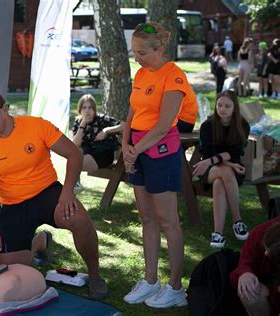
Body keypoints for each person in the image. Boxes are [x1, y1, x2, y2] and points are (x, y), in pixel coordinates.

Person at [0, 89, 108, 300]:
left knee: (79, 219)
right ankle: (40, 242)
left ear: (4, 110)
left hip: (47, 193)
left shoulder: (36, 125)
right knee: (10, 271)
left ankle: (95, 276)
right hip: (12, 205)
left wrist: (67, 193)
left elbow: (74, 154)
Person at [121, 22, 187, 308]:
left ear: (159, 49)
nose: (137, 58)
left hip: (159, 151)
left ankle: (175, 286)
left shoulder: (174, 76)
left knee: (168, 221)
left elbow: (162, 127)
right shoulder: (141, 73)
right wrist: (125, 144)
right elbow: (132, 113)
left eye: (142, 53)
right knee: (147, 218)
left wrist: (135, 150)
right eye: (134, 52)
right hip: (138, 149)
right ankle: (150, 280)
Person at [192, 91, 250, 248]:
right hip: (211, 169)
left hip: (229, 169)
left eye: (227, 106)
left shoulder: (242, 126)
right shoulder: (207, 126)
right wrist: (227, 163)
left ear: (234, 108)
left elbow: (235, 152)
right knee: (224, 172)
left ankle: (218, 233)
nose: (222, 109)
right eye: (219, 105)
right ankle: (237, 220)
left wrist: (220, 161)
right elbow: (209, 152)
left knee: (219, 183)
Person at [71, 94, 123, 191]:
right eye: (84, 108)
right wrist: (82, 124)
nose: (87, 111)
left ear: (94, 109)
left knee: (74, 163)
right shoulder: (78, 122)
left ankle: (74, 185)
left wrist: (106, 130)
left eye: (90, 107)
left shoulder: (102, 119)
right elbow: (75, 145)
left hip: (103, 154)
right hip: (87, 154)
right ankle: (75, 185)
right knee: (74, 153)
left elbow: (124, 125)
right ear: (80, 110)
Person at [230, 217, 280, 316]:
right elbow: (246, 260)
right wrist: (245, 273)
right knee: (249, 290)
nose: (265, 253)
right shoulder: (260, 232)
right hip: (267, 287)